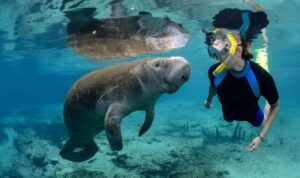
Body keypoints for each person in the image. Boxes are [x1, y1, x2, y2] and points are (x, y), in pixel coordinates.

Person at [203, 1, 279, 152]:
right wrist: (209, 99)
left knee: (262, 121)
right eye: (215, 52)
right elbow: (213, 87)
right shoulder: (214, 72)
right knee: (228, 119)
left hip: (253, 115)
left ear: (237, 49)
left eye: (223, 50)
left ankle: (264, 44)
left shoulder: (261, 76)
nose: (219, 57)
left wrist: (261, 137)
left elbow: (276, 105)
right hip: (229, 113)